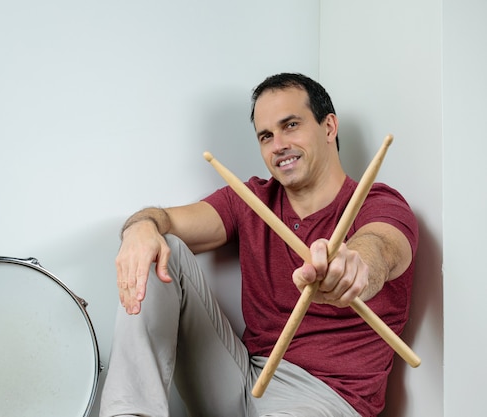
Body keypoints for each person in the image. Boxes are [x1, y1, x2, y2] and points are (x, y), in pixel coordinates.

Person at [99, 73, 418, 417]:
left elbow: (381, 248)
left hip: (324, 400)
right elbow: (167, 221)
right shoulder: (251, 199)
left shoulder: (379, 204)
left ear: (329, 127)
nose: (278, 144)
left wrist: (353, 266)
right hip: (245, 379)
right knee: (162, 249)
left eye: (291, 125)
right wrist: (141, 227)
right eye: (266, 136)